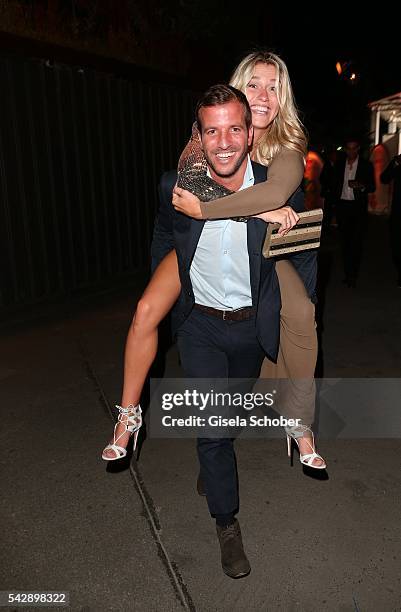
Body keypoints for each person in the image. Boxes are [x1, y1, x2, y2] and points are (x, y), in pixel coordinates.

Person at [102, 51, 325, 469]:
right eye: (254, 84)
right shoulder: (215, 128)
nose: (263, 95)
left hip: (264, 253)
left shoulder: (287, 148)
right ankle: (128, 417)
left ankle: (300, 421)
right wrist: (249, 208)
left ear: (284, 98)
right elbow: (184, 186)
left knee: (300, 315)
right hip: (200, 243)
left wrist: (245, 209)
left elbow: (270, 196)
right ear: (240, 87)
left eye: (274, 87)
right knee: (146, 310)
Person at [153, 83, 315, 578]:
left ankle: (217, 454)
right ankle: (226, 523)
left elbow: (303, 259)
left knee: (234, 409)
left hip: (249, 330)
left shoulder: (275, 187)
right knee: (214, 428)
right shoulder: (178, 186)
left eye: (233, 130)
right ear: (198, 137)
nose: (223, 142)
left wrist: (301, 315)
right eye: (211, 131)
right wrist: (160, 299)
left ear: (249, 135)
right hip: (199, 326)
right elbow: (164, 236)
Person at [333, 138, 375, 288]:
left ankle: (353, 275)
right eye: (348, 148)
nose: (351, 151)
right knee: (345, 242)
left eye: (353, 148)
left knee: (356, 243)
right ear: (345, 149)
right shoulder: (339, 165)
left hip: (357, 208)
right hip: (343, 206)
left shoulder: (366, 165)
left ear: (358, 149)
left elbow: (372, 187)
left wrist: (361, 186)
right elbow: (334, 184)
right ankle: (347, 273)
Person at [380, 153, 401, 287]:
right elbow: (384, 178)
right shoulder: (398, 167)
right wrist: (393, 162)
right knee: (396, 245)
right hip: (398, 213)